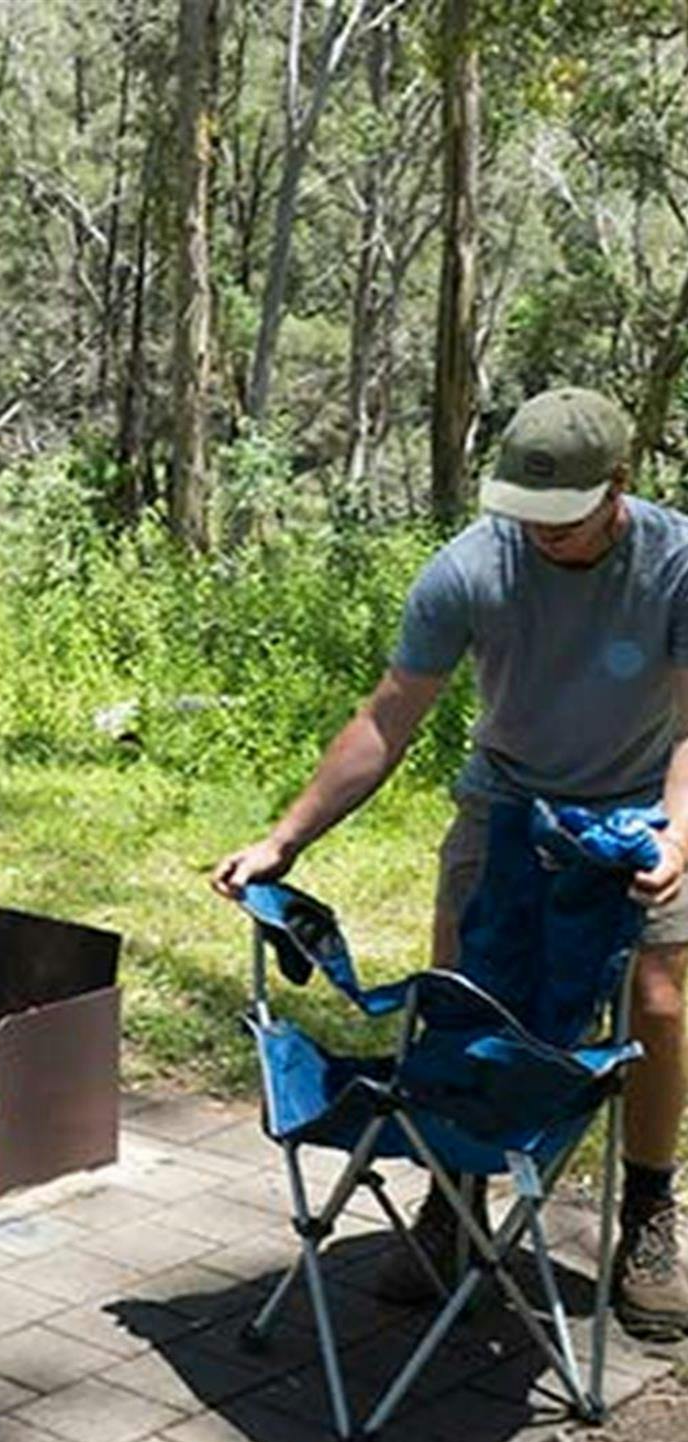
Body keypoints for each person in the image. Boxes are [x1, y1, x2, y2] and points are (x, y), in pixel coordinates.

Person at [212, 386, 688, 1340]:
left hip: (642, 803)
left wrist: (677, 835)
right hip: (508, 801)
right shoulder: (472, 567)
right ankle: (454, 1201)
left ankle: (649, 1212)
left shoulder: (677, 564)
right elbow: (387, 718)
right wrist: (284, 837)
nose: (539, 536)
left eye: (561, 519)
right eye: (525, 514)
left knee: (661, 999)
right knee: (457, 996)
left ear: (618, 489)